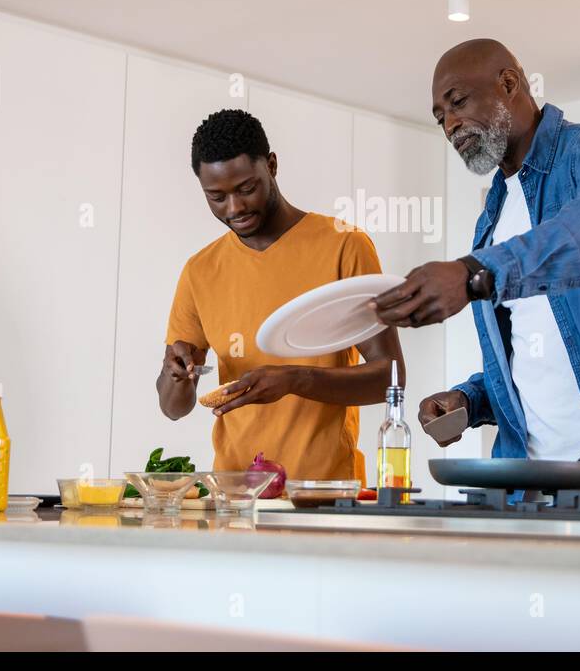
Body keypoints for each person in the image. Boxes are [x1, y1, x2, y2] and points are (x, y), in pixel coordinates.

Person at [372, 39, 580, 492]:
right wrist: (470, 399)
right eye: (439, 116)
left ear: (509, 84)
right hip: (528, 489)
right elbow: (531, 355)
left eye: (458, 102)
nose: (449, 124)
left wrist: (473, 272)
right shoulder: (491, 219)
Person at [159, 109, 403, 483]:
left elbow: (391, 377)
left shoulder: (344, 246)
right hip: (234, 495)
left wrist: (294, 380)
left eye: (246, 188)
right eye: (216, 197)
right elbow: (174, 408)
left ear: (271, 166)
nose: (234, 208)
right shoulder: (199, 271)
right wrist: (175, 376)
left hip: (325, 494)